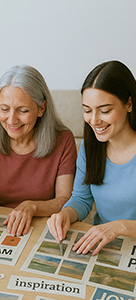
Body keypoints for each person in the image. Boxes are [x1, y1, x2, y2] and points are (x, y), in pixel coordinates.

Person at [0, 64, 77, 236]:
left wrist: (32, 206)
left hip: (42, 223)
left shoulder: (64, 140)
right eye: (5, 109)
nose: (12, 120)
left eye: (23, 110)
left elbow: (64, 199)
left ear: (41, 109)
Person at [47, 60, 136, 256]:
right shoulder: (91, 147)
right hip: (104, 247)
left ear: (129, 104)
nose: (94, 121)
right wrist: (65, 214)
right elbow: (81, 198)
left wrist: (118, 227)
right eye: (87, 110)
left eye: (104, 111)